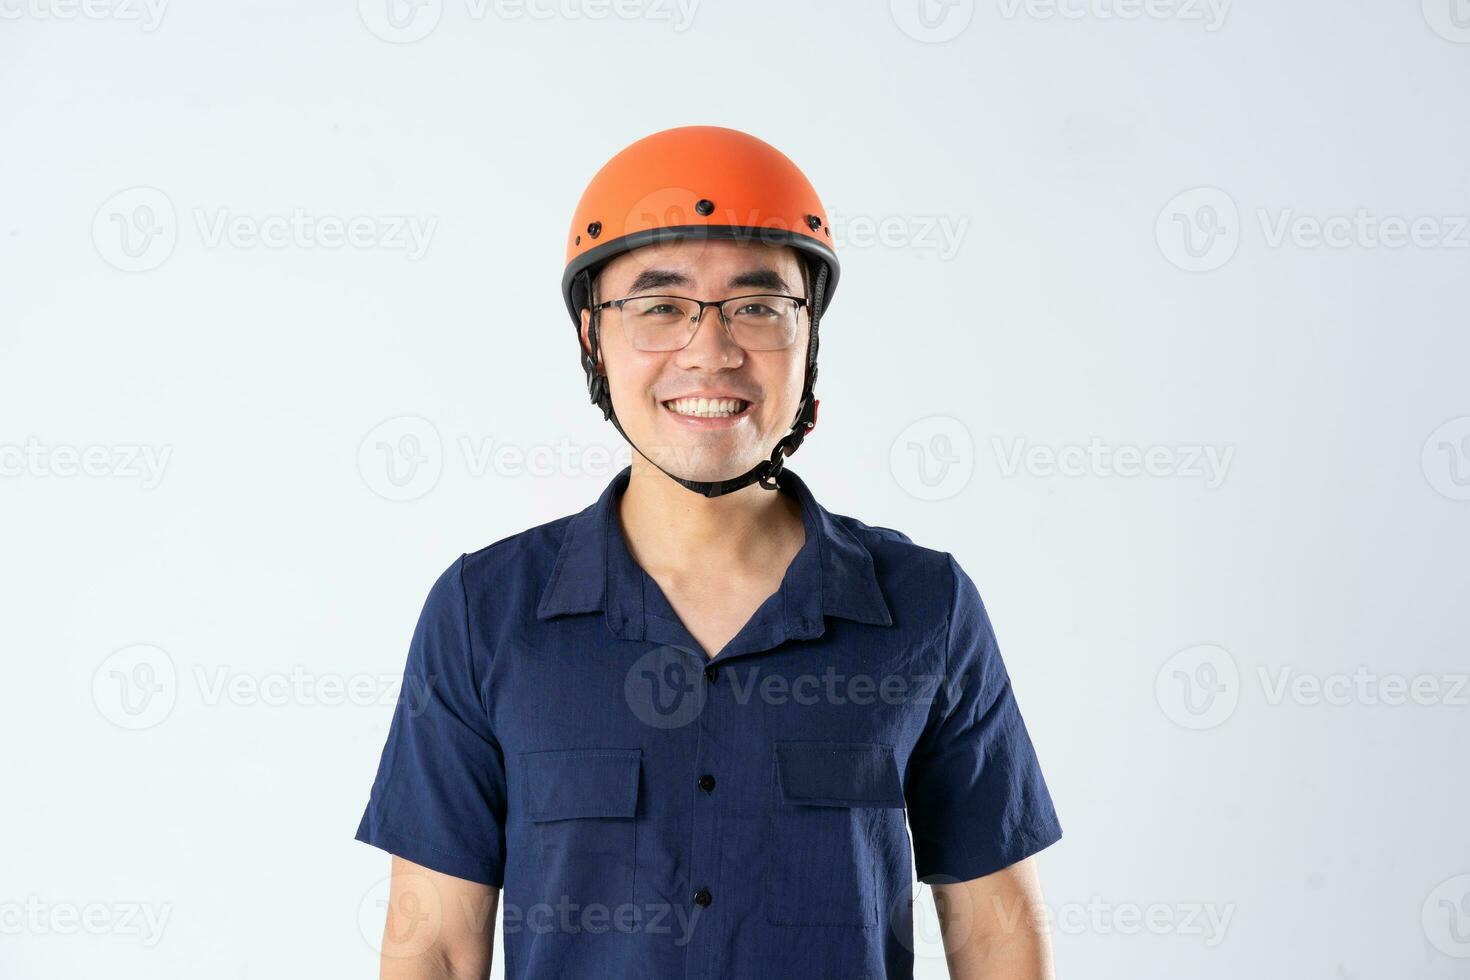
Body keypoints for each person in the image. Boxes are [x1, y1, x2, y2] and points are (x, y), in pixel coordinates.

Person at [355, 125, 1063, 979]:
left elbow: (997, 938)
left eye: (758, 307)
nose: (712, 351)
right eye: (660, 307)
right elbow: (431, 948)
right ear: (592, 338)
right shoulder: (484, 614)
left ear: (809, 341)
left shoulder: (927, 607)